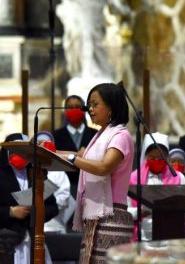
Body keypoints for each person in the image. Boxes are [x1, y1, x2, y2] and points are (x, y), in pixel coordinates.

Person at [56, 83, 134, 263]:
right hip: (95, 215)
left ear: (111, 108)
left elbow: (103, 167)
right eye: (89, 104)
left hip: (111, 215)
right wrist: (48, 151)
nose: (89, 109)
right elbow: (79, 155)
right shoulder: (101, 134)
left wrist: (72, 158)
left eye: (95, 104)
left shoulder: (120, 135)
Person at [0, 133, 59, 264]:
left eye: (23, 152)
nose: (20, 155)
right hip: (4, 242)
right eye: (16, 151)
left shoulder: (37, 175)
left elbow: (53, 208)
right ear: (7, 152)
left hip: (33, 240)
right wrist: (10, 212)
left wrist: (34, 213)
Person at [127, 133, 185, 241]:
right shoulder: (134, 178)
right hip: (143, 236)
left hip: (171, 235)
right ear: (146, 156)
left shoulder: (178, 178)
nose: (157, 160)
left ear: (167, 157)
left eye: (161, 157)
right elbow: (124, 210)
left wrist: (178, 211)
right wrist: (138, 212)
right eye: (153, 157)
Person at [52, 95, 97, 198]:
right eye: (70, 107)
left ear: (84, 109)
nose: (74, 110)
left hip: (91, 186)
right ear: (65, 110)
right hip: (64, 187)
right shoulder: (56, 135)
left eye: (77, 107)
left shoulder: (95, 134)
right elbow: (53, 156)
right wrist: (77, 154)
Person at [34, 131, 73, 234]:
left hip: (53, 225)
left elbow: (63, 198)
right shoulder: (28, 170)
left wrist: (43, 207)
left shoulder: (58, 173)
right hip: (30, 223)